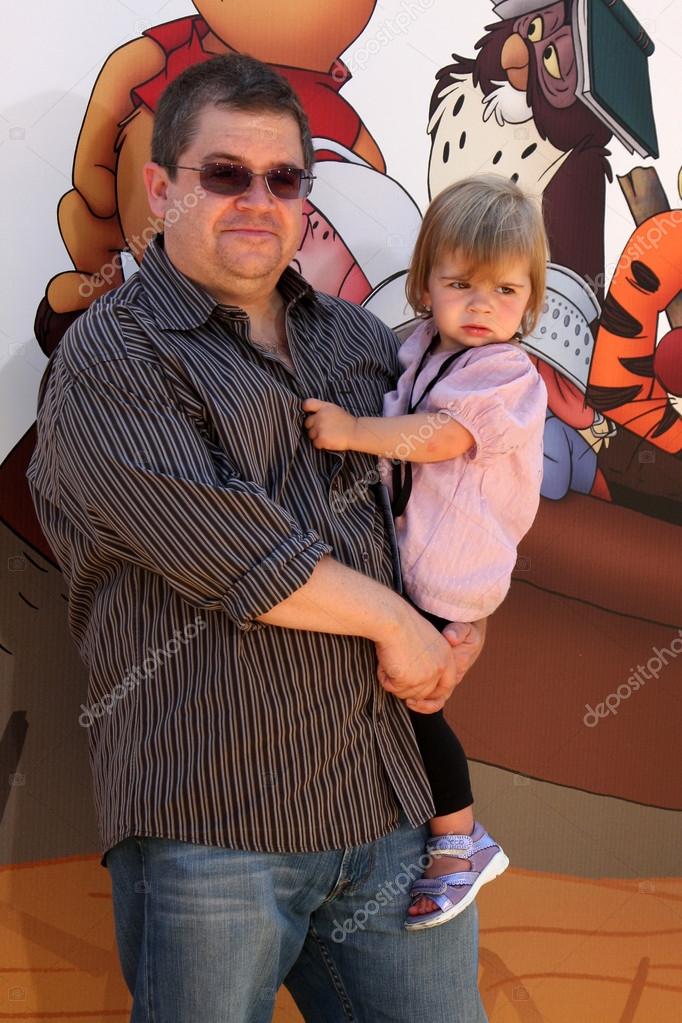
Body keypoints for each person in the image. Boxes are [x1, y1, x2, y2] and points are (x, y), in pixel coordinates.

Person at [27, 55, 489, 1022]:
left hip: (394, 806)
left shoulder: (364, 343)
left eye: (284, 179)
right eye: (225, 173)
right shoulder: (113, 355)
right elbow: (236, 552)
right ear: (161, 187)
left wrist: (461, 619)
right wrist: (400, 627)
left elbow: (452, 495)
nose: (259, 200)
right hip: (215, 824)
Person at [303, 175, 549, 930]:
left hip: (451, 573)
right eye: (460, 284)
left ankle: (457, 839)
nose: (482, 307)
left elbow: (438, 437)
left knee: (415, 703)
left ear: (531, 301)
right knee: (401, 694)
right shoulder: (415, 349)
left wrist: (349, 432)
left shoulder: (506, 375)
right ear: (423, 285)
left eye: (506, 292)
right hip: (416, 561)